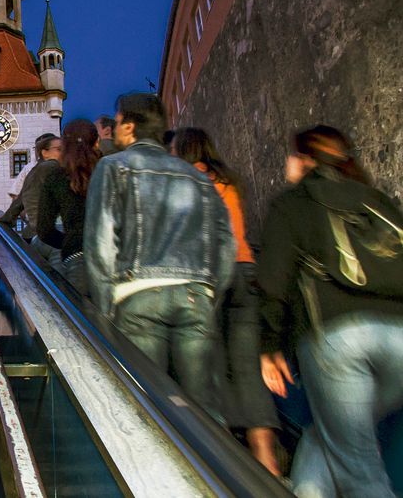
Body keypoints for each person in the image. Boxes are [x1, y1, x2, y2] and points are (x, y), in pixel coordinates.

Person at [257, 125, 403, 497]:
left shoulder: (292, 204)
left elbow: (273, 280)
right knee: (328, 433)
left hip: (338, 341)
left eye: (292, 155)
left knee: (361, 473)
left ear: (305, 160)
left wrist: (270, 347)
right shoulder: (376, 200)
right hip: (399, 336)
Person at [84, 94, 235, 417]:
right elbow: (225, 244)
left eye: (119, 120)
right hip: (195, 296)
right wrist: (209, 293)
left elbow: (100, 242)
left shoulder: (113, 167)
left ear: (129, 125)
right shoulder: (196, 177)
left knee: (145, 407)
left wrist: (106, 306)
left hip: (137, 296)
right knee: (205, 410)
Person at [172, 128, 281, 476]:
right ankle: (267, 461)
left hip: (210, 277)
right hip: (246, 271)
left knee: (213, 367)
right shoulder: (229, 182)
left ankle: (227, 468)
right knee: (248, 370)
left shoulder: (185, 183)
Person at [35, 119, 100, 295]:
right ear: (96, 142)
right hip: (112, 258)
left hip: (77, 259)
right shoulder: (109, 169)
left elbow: (44, 230)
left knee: (81, 319)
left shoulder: (56, 176)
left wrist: (70, 241)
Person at [0, 133, 63, 239]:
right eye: (59, 149)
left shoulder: (33, 169)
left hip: (36, 230)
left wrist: (7, 218)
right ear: (45, 152)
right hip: (55, 227)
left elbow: (19, 198)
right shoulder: (52, 166)